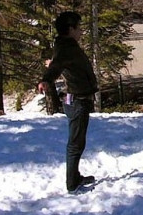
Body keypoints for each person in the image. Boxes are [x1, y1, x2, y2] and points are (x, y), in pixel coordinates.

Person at [38, 11, 98, 194]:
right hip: (76, 101)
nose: (81, 31)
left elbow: (56, 63)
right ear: (71, 29)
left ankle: (75, 176)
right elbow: (56, 67)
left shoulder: (66, 45)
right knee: (75, 143)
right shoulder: (66, 48)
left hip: (79, 99)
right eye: (79, 27)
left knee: (78, 142)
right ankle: (72, 183)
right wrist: (46, 80)